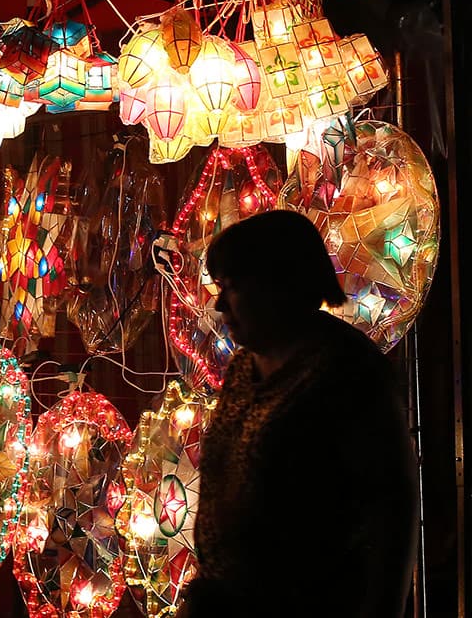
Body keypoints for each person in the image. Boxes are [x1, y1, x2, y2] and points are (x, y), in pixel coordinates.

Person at [177, 210, 418, 618]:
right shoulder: (242, 367)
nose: (220, 306)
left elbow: (391, 513)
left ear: (278, 284)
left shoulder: (345, 368)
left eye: (233, 288)